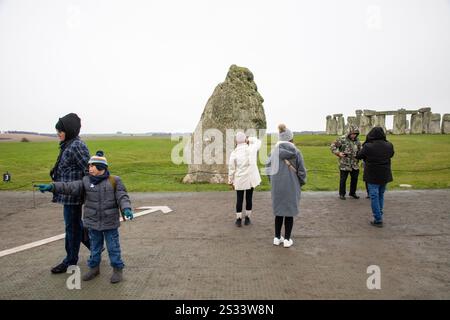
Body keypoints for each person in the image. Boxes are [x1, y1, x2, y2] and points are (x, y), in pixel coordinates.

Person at [37, 151, 134, 283]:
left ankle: (117, 269)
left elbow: (122, 196)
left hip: (110, 222)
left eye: (92, 166)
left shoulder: (114, 181)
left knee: (113, 247)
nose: (89, 169)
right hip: (92, 222)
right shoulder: (86, 181)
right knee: (95, 248)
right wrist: (52, 187)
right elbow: (70, 187)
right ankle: (94, 268)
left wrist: (126, 208)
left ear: (101, 167)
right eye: (89, 166)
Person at [49, 113, 91, 274]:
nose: (58, 133)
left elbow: (88, 170)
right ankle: (95, 246)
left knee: (72, 228)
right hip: (67, 194)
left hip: (73, 196)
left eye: (60, 130)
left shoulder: (77, 146)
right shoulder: (68, 144)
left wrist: (92, 193)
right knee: (74, 226)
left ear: (70, 130)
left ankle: (70, 260)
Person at [265, 124, 306, 248]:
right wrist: (301, 182)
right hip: (292, 185)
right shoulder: (296, 152)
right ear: (290, 139)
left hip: (277, 186)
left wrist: (272, 181)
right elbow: (302, 171)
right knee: (289, 212)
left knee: (278, 212)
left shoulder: (272, 152)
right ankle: (287, 239)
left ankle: (277, 237)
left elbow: (267, 169)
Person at [356, 127, 394, 227]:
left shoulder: (368, 146)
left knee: (374, 196)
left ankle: (378, 219)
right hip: (385, 173)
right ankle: (379, 215)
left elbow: (359, 156)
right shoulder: (389, 145)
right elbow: (391, 154)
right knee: (380, 195)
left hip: (372, 174)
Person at [228, 132, 262, 227]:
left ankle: (238, 219)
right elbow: (258, 141)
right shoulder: (252, 148)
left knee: (239, 199)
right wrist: (249, 139)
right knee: (249, 198)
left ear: (236, 141)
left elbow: (231, 168)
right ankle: (247, 218)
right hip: (250, 179)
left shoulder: (234, 152)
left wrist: (230, 180)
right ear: (245, 140)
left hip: (239, 178)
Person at [330, 125, 362, 200]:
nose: (354, 135)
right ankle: (342, 194)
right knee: (343, 179)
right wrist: (338, 153)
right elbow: (332, 146)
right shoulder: (342, 139)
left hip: (354, 164)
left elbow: (361, 150)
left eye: (355, 134)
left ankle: (352, 193)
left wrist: (360, 157)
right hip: (344, 163)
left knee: (355, 179)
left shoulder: (357, 141)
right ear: (349, 133)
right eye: (352, 133)